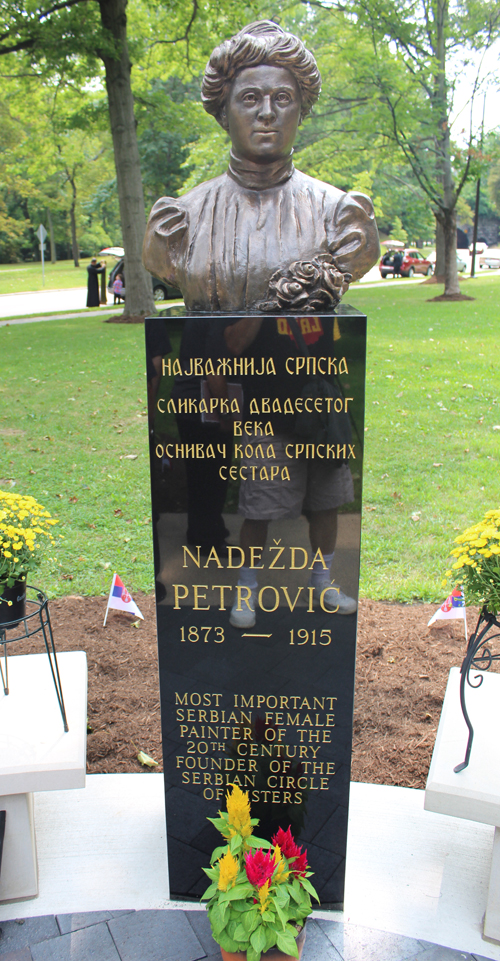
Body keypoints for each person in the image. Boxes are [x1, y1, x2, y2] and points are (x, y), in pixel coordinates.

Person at [143, 21, 381, 626]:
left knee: (322, 494)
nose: (267, 113)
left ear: (302, 109)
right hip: (239, 396)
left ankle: (319, 577)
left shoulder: (337, 213)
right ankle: (246, 581)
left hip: (307, 389)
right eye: (250, 99)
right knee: (255, 500)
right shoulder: (182, 220)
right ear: (223, 111)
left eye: (283, 99)